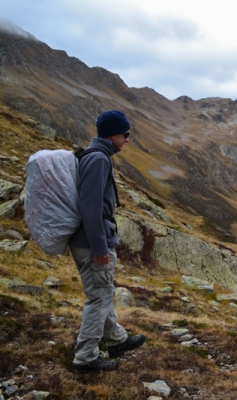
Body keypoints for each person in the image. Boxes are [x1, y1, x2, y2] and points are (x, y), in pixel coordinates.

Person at [69, 110, 146, 373]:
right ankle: (86, 358)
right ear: (113, 134)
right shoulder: (100, 159)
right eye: (125, 135)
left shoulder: (94, 156)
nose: (127, 140)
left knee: (103, 293)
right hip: (93, 244)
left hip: (87, 241)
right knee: (99, 299)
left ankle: (117, 340)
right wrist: (100, 248)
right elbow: (90, 208)